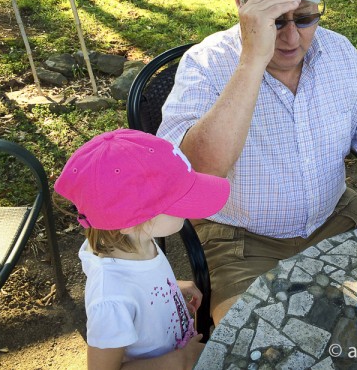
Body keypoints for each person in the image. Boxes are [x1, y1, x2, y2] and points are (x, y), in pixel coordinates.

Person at [157, 0, 357, 324]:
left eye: (306, 18)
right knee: (257, 343)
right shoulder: (207, 63)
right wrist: (251, 61)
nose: (292, 39)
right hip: (241, 239)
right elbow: (195, 171)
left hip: (338, 216)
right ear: (238, 1)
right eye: (275, 21)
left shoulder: (339, 52)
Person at [54, 129, 230, 370]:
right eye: (178, 203)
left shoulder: (138, 241)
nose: (188, 210)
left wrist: (170, 289)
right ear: (129, 222)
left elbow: (137, 283)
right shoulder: (111, 299)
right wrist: (181, 360)